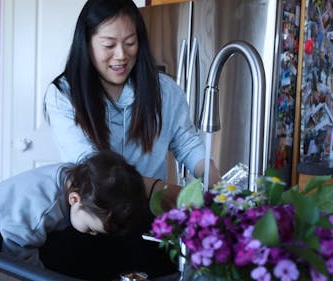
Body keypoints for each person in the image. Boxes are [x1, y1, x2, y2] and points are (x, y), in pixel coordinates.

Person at [42, 0, 220, 279]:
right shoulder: (64, 94)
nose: (121, 55)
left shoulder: (165, 90)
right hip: (93, 220)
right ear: (87, 43)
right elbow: (92, 166)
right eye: (109, 44)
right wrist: (161, 189)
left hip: (149, 223)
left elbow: (187, 141)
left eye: (130, 42)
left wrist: (211, 175)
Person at [0, 150, 147, 269]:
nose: (92, 235)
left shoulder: (80, 180)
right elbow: (18, 257)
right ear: (75, 199)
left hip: (9, 213)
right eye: (90, 229)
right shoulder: (40, 211)